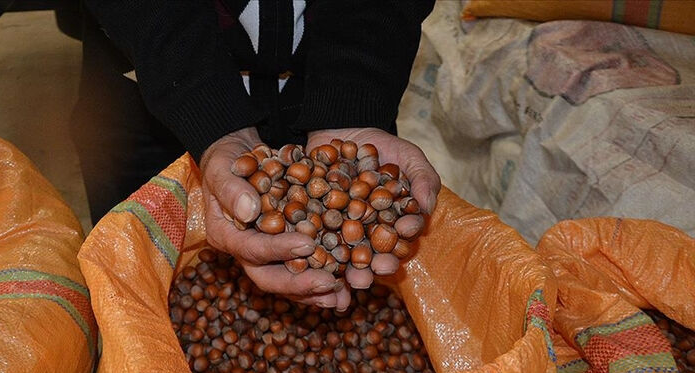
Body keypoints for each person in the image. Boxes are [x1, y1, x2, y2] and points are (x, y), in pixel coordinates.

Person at [72, 1, 440, 310]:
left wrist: (352, 99)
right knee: (135, 286)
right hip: (154, 78)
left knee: (341, 284)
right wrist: (204, 107)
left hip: (330, 72)